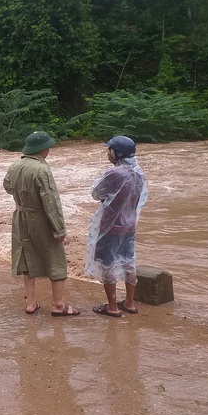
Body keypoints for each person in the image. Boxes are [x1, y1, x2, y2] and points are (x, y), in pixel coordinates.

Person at [4, 131, 80, 317]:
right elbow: (51, 201)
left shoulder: (15, 166)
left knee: (27, 258)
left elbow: (7, 187)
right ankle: (58, 305)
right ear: (43, 149)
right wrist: (59, 229)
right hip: (40, 218)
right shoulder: (42, 170)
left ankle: (31, 303)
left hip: (20, 216)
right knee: (55, 258)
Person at [86, 136, 148, 317]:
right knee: (129, 261)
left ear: (117, 153)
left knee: (107, 263)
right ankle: (129, 303)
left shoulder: (115, 173)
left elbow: (96, 193)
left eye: (109, 150)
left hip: (111, 225)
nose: (107, 154)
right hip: (129, 224)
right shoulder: (138, 173)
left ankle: (112, 307)